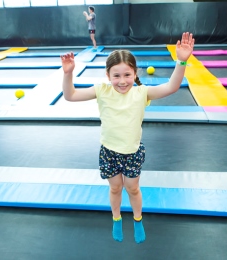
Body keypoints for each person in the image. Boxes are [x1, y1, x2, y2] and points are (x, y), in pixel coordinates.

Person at [61, 32, 195, 243]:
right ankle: (116, 219)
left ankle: (137, 219)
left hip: (132, 152)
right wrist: (68, 73)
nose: (122, 81)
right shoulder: (102, 90)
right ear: (108, 75)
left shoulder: (142, 93)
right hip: (108, 152)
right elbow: (70, 96)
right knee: (115, 187)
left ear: (135, 73)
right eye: (116, 76)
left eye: (127, 75)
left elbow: (172, 86)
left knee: (132, 188)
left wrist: (182, 60)